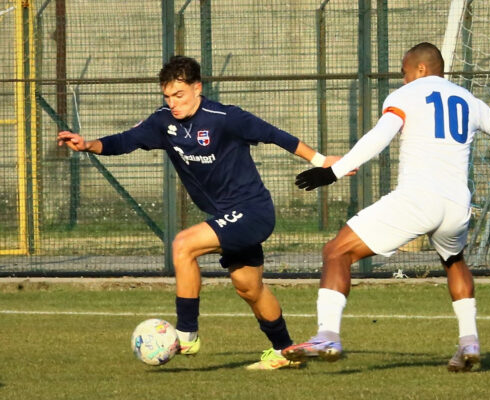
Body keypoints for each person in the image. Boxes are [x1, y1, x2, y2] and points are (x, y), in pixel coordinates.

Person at [282, 42, 490, 372]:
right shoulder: (470, 101)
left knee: (336, 252)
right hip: (457, 205)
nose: (403, 79)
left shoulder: (406, 96)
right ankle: (469, 342)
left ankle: (327, 335)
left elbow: (379, 137)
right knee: (454, 259)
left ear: (420, 69)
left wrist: (333, 171)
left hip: (418, 198)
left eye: (405, 72)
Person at [57, 55, 341, 370]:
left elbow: (275, 134)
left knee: (183, 244)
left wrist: (320, 160)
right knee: (249, 287)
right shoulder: (163, 122)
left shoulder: (224, 117)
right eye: (167, 96)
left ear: (197, 88)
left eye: (179, 95)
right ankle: (285, 351)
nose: (173, 103)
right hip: (227, 216)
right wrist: (87, 145)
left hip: (252, 210)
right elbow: (125, 141)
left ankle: (188, 334)